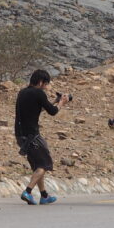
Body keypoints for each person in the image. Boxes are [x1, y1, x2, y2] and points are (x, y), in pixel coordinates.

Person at [14, 69, 69, 205]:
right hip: (33, 137)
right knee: (44, 164)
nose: (46, 87)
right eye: (45, 84)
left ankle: (44, 196)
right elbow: (53, 112)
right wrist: (61, 103)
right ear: (40, 82)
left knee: (38, 166)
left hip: (20, 135)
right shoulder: (39, 93)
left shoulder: (22, 92)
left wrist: (54, 101)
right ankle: (27, 191)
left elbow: (40, 108)